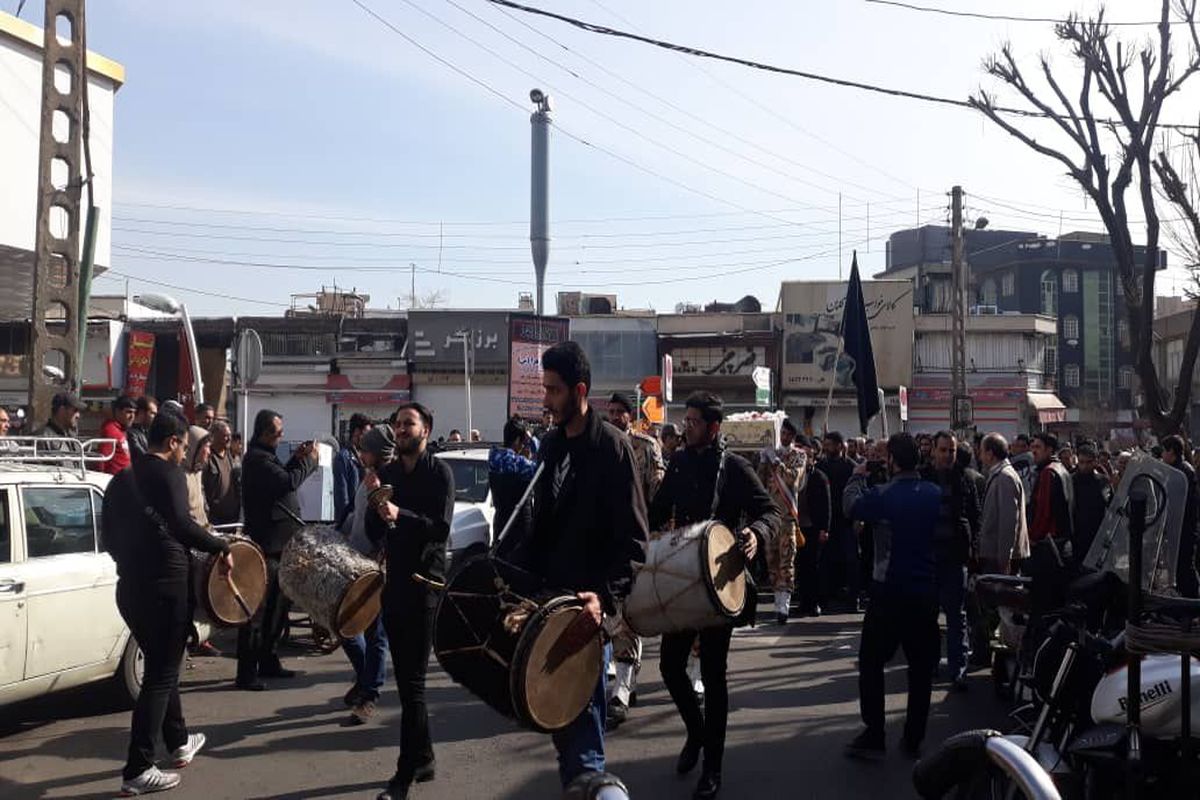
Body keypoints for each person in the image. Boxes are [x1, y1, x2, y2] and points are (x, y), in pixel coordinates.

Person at [507, 341, 647, 792]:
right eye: (544, 389)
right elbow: (539, 526)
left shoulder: (613, 450)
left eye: (553, 390)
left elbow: (634, 543)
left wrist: (604, 598)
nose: (545, 401)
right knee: (565, 737)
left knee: (584, 745)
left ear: (580, 390)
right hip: (548, 608)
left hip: (586, 617)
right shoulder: (550, 446)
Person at [649, 391, 778, 800]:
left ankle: (713, 769)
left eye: (692, 421)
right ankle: (697, 731)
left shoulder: (735, 467)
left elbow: (770, 511)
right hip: (682, 580)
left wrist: (756, 535)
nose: (685, 427)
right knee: (670, 667)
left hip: (721, 583)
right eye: (684, 420)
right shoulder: (680, 462)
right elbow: (655, 511)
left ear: (713, 427)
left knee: (714, 677)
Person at [101, 410, 232, 796]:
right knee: (160, 673)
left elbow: (108, 536)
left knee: (163, 664)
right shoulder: (169, 473)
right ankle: (139, 767)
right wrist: (220, 545)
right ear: (173, 441)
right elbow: (182, 524)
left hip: (129, 588)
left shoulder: (121, 479)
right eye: (184, 446)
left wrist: (133, 562)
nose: (184, 453)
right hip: (165, 588)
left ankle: (177, 741)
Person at [366, 402, 455, 800]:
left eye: (409, 424)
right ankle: (426, 756)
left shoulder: (440, 473)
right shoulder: (386, 473)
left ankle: (402, 776)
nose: (401, 429)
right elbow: (373, 530)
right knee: (405, 685)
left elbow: (440, 528)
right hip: (394, 586)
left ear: (426, 429)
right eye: (398, 424)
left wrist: (400, 513)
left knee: (414, 686)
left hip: (425, 586)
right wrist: (373, 501)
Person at [843, 432, 942, 760]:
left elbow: (851, 506)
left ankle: (875, 732)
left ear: (893, 462)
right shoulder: (933, 493)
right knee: (920, 669)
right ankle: (914, 738)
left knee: (871, 663)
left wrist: (857, 477)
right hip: (925, 591)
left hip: (887, 593)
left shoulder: (883, 494)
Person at [237, 409, 318, 691]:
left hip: (280, 546)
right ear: (264, 433)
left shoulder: (267, 458)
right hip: (265, 546)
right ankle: (246, 672)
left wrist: (296, 459)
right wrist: (308, 463)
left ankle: (268, 660)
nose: (281, 436)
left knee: (277, 609)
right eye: (277, 432)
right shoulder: (257, 460)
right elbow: (286, 482)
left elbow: (282, 474)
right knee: (257, 611)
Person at [604, 391, 665, 730]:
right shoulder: (598, 444)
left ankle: (622, 690)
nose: (613, 416)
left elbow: (657, 491)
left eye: (619, 411)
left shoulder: (644, 446)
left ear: (630, 415)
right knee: (612, 615)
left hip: (635, 540)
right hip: (604, 541)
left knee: (627, 614)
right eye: (610, 411)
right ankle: (624, 682)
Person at [340, 425, 395, 726]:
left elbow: (387, 528)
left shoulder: (387, 481)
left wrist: (380, 559)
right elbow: (356, 517)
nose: (360, 453)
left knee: (375, 633)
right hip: (355, 560)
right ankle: (365, 680)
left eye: (365, 449)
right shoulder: (368, 478)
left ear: (376, 453)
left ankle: (369, 693)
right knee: (346, 625)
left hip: (375, 567)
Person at [921, 431, 980, 691]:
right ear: (934, 450)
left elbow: (975, 516)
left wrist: (974, 547)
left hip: (956, 558)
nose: (947, 455)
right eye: (943, 450)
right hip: (928, 557)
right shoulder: (922, 477)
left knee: (957, 617)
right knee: (927, 615)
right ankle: (930, 663)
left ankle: (958, 670)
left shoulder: (964, 479)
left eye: (951, 451)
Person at [758, 418, 805, 624]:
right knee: (772, 561)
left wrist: (777, 462)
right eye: (782, 433)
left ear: (792, 436)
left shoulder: (799, 455)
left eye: (787, 434)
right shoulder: (771, 454)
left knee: (787, 560)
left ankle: (784, 606)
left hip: (787, 517)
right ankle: (777, 601)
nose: (783, 437)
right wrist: (762, 460)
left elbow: (793, 479)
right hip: (772, 517)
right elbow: (759, 482)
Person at [817, 431, 859, 611]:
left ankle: (852, 598)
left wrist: (858, 519)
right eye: (825, 445)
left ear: (840, 446)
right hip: (827, 521)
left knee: (851, 560)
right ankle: (825, 597)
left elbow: (857, 493)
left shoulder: (852, 467)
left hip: (846, 521)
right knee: (825, 560)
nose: (826, 448)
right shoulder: (821, 466)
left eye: (830, 445)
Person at [977, 434, 1028, 576]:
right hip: (995, 555)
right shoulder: (999, 474)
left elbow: (1008, 522)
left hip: (999, 558)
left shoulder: (1005, 477)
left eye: (981, 451)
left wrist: (1004, 559)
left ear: (990, 454)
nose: (979, 456)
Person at [794, 434, 832, 617]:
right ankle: (803, 601)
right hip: (796, 526)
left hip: (813, 527)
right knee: (800, 566)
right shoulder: (793, 474)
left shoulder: (819, 476)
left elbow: (826, 505)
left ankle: (815, 602)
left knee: (813, 567)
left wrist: (825, 529)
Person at [488, 416, 537, 548]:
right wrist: (532, 440)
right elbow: (541, 467)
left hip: (500, 522)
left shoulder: (493, 457)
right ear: (517, 440)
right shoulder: (519, 464)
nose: (523, 446)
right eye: (522, 442)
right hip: (518, 527)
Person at [1162, 435, 1200, 598]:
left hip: (1184, 528)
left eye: (1164, 451)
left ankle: (1191, 602)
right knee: (1179, 566)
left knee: (1185, 566)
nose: (1163, 455)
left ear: (1171, 452)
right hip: (1178, 527)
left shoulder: (1182, 472)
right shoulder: (1179, 469)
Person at [1071, 443, 1111, 564]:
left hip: (1098, 531)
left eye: (1088, 462)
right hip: (1078, 533)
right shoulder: (1072, 480)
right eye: (1081, 462)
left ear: (1095, 462)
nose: (1084, 466)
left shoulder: (1102, 480)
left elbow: (1109, 502)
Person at [335, 413, 372, 526]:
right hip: (351, 522)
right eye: (367, 433)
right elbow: (342, 496)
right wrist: (346, 523)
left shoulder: (368, 455)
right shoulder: (343, 457)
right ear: (357, 432)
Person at [203, 421, 241, 527]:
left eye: (229, 436)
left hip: (232, 518)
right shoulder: (208, 457)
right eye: (225, 436)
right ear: (214, 436)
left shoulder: (232, 457)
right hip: (215, 519)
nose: (229, 439)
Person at [36, 391, 85, 459]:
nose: (78, 415)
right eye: (75, 410)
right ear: (62, 410)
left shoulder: (72, 437)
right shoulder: (42, 438)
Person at [99, 395, 137, 475]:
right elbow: (103, 458)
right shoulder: (110, 430)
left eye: (134, 413)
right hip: (114, 480)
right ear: (118, 411)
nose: (132, 416)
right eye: (128, 412)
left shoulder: (121, 430)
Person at [127, 396, 157, 463]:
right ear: (141, 412)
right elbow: (142, 456)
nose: (155, 417)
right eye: (152, 413)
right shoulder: (131, 433)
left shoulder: (147, 431)